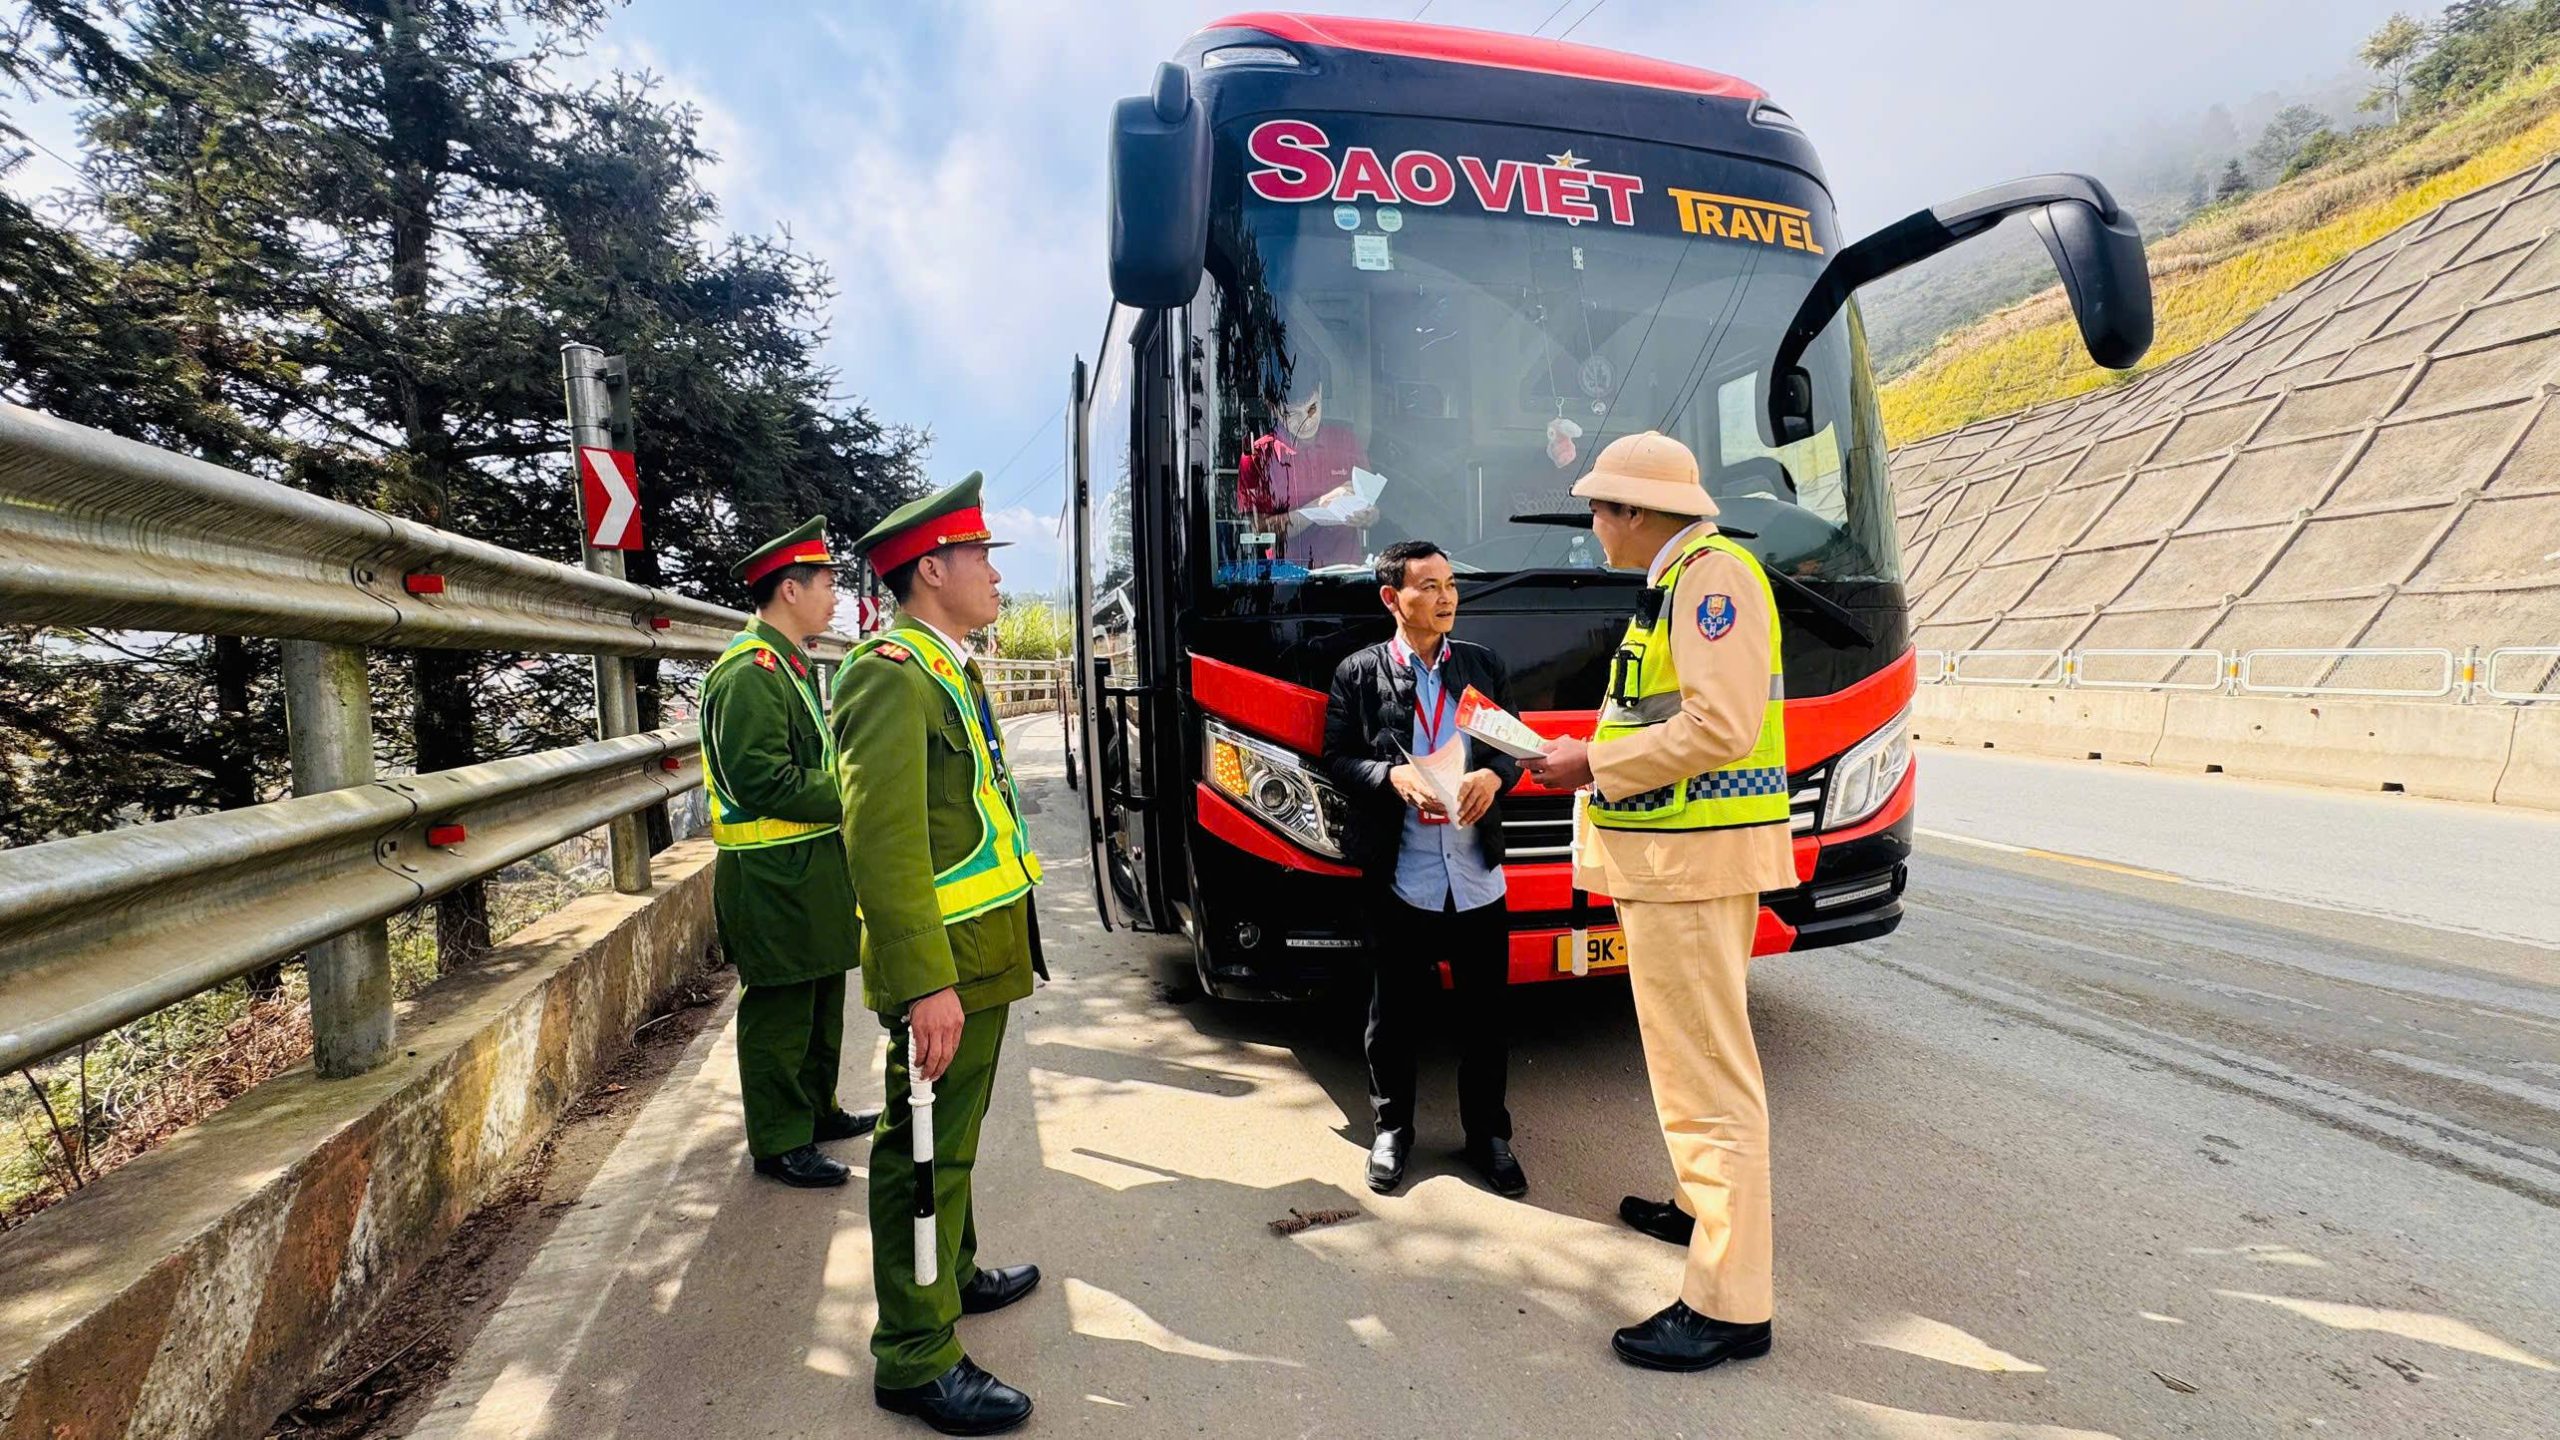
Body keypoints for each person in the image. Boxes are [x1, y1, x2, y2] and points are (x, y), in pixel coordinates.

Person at [1523, 432, 1795, 1374]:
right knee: (1689, 1070)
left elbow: (1715, 726)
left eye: (1600, 508)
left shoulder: (1711, 583)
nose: (1592, 526)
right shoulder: (1681, 583)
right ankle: (1696, 1209)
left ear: (1637, 511)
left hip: (1693, 866)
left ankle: (1729, 1305)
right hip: (1673, 864)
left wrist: (1588, 763)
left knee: (1710, 1082)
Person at [833, 473, 1045, 1436]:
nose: (997, 576)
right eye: (983, 558)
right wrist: (925, 983)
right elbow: (882, 843)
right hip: (946, 960)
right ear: (931, 569)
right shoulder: (888, 672)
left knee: (951, 1140)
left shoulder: (944, 664)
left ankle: (950, 1272)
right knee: (919, 1147)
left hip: (985, 945)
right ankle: (915, 1355)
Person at [1319, 540, 1527, 1198]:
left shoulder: (1481, 666)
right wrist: (1392, 777)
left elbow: (1513, 751)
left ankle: (1489, 1136)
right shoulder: (1358, 672)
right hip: (1401, 876)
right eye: (1429, 587)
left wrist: (1494, 778)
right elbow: (1336, 758)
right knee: (1393, 1015)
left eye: (1451, 585)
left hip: (1476, 876)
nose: (1446, 598)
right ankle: (1391, 1131)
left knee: (1486, 1018)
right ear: (1392, 598)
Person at [700, 516, 877, 1189]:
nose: (835, 597)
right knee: (780, 1010)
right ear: (790, 590)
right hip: (771, 876)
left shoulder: (789, 664)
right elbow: (760, 778)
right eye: (827, 584)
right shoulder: (750, 673)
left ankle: (816, 1110)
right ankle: (779, 1141)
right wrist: (853, 793)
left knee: (820, 999)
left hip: (808, 868)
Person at [1237, 356, 1375, 569]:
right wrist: (1317, 507)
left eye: (1312, 408)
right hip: (1287, 579)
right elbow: (1258, 530)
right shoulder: (1258, 455)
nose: (1306, 421)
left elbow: (1372, 511)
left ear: (1320, 392)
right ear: (1272, 407)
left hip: (1348, 574)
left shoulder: (1346, 441)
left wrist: (1366, 516)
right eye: (1292, 414)